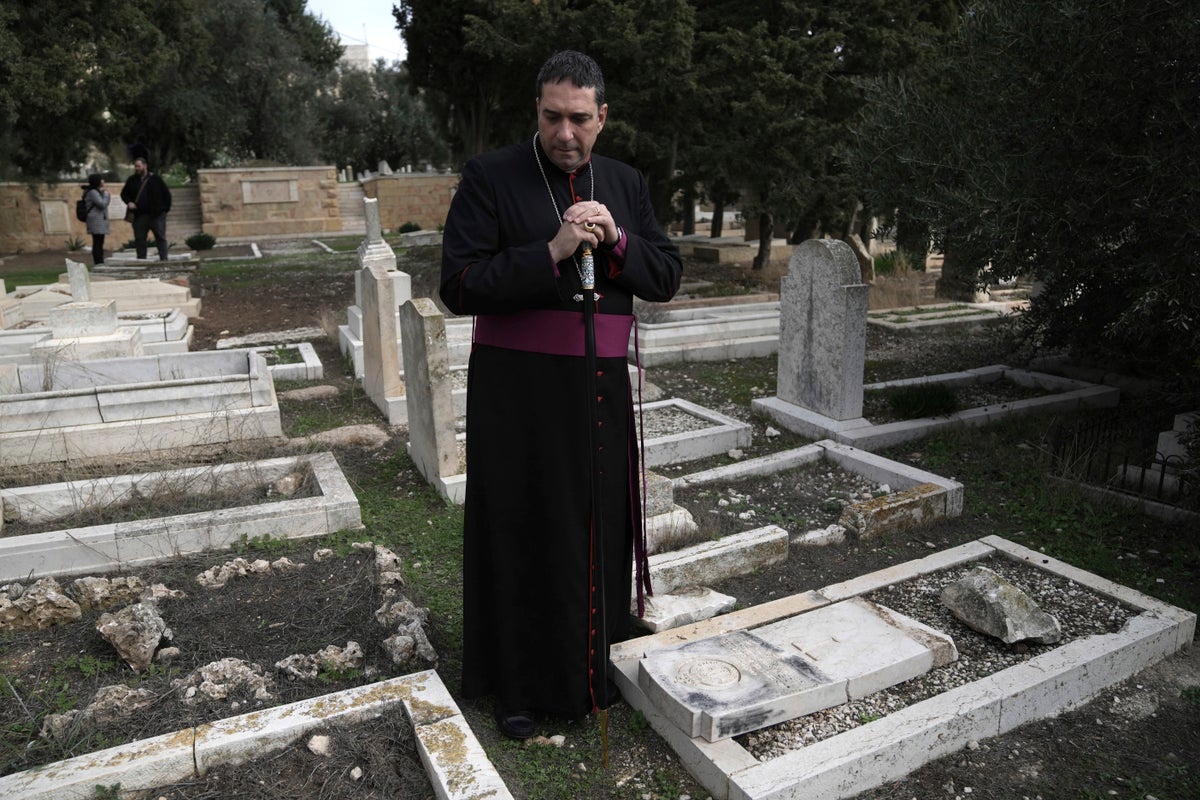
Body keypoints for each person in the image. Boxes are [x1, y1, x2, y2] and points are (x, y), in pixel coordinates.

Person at [440, 50, 683, 740]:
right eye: (553, 117)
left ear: (602, 118)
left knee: (592, 528)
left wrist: (618, 239)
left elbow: (664, 274)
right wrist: (550, 249)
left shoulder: (627, 183)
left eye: (580, 118)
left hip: (598, 389)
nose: (566, 133)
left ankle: (587, 670)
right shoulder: (491, 176)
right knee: (521, 529)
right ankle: (516, 686)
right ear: (536, 113)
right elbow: (457, 286)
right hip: (515, 392)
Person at [120, 156, 172, 261]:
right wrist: (129, 202)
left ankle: (164, 259)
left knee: (160, 238)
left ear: (145, 166)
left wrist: (164, 210)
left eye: (139, 166)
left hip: (156, 215)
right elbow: (124, 194)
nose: (137, 168)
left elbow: (167, 195)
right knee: (140, 239)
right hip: (139, 216)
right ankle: (141, 261)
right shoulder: (132, 180)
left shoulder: (156, 179)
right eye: (135, 166)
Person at [82, 174, 110, 265]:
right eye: (102, 180)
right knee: (97, 242)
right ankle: (98, 262)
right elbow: (102, 204)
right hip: (96, 220)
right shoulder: (92, 192)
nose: (103, 181)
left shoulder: (95, 191)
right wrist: (106, 194)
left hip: (99, 220)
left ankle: (100, 261)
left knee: (99, 241)